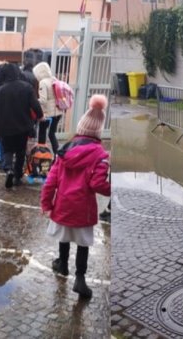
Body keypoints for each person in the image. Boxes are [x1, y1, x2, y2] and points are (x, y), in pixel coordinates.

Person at [40, 94, 110, 299]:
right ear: (98, 132)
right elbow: (98, 184)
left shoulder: (64, 152)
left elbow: (50, 181)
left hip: (62, 205)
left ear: (80, 128)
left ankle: (62, 265)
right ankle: (80, 279)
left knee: (64, 238)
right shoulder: (100, 155)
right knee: (82, 244)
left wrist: (46, 204)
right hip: (83, 208)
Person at [0, 63, 43, 189]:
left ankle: (8, 169)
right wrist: (40, 116)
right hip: (23, 126)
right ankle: (17, 176)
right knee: (20, 151)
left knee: (7, 150)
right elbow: (35, 105)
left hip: (5, 127)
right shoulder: (27, 87)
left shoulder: (0, 90)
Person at [34, 62, 63, 154]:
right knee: (52, 134)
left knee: (42, 133)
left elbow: (43, 100)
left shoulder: (43, 82)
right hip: (58, 112)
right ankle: (57, 154)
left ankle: (41, 155)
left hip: (47, 114)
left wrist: (33, 101)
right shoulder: (54, 79)